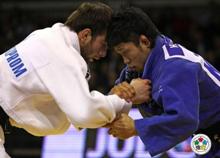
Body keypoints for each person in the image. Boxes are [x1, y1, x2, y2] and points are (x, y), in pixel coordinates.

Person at [0, 2, 151, 157]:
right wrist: (125, 98)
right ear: (85, 35)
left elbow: (68, 113)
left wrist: (107, 106)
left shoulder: (48, 36)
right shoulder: (63, 55)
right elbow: (84, 113)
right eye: (104, 44)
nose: (104, 53)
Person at [107, 7, 220, 157]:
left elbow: (184, 120)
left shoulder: (176, 66)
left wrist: (136, 127)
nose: (125, 60)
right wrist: (119, 95)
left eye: (125, 52)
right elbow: (112, 101)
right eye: (120, 55)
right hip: (205, 139)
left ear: (144, 41)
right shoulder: (140, 63)